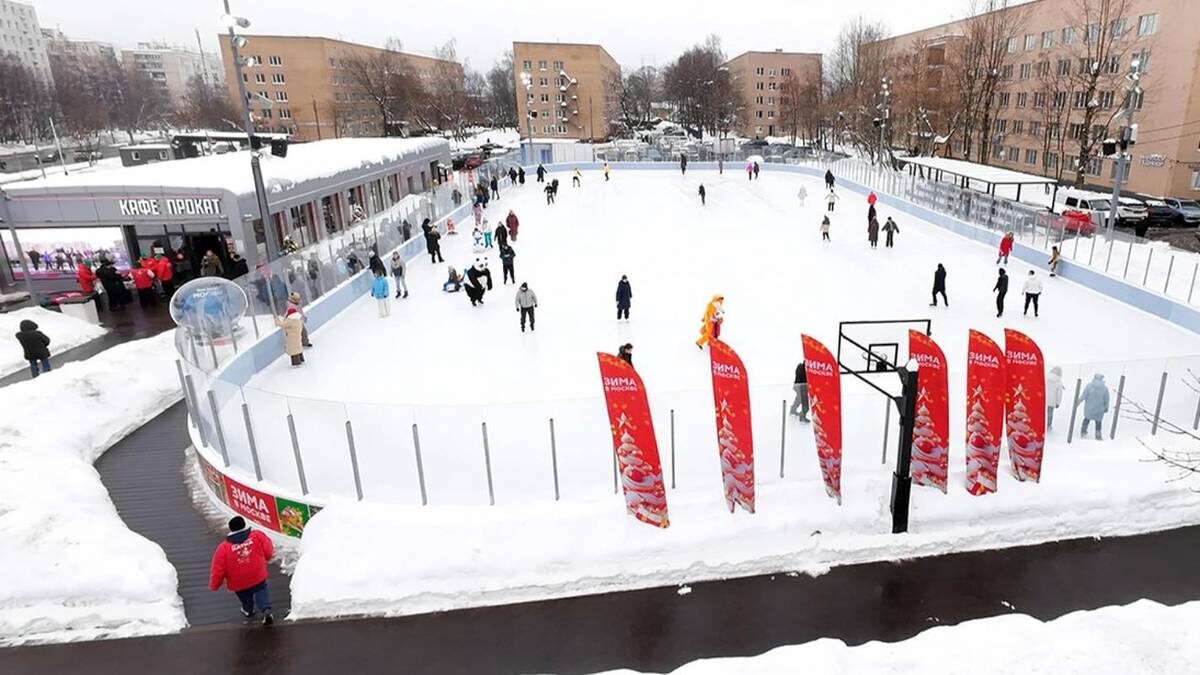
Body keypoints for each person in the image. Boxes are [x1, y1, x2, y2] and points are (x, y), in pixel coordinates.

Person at [209, 516, 275, 625]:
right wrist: (267, 558)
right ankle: (265, 609)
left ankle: (248, 609)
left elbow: (218, 569)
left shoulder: (223, 548)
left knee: (244, 596)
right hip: (257, 574)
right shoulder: (257, 535)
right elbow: (268, 549)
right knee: (261, 590)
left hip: (238, 581)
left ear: (231, 529)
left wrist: (214, 585)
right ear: (244, 525)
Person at [1080, 374, 1110, 440]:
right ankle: (1098, 435)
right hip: (1099, 409)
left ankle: (1083, 431)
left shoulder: (1089, 386)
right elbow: (1106, 399)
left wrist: (1078, 402)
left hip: (1089, 408)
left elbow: (1084, 395)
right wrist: (1106, 407)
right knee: (1098, 422)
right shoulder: (1105, 389)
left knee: (1086, 419)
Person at [1046, 366, 1065, 431]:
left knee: (1042, 413)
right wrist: (1058, 403)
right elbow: (1059, 395)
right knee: (1050, 413)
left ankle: (1040, 424)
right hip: (1051, 401)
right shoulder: (1059, 382)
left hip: (1043, 399)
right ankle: (1048, 426)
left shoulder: (1045, 378)